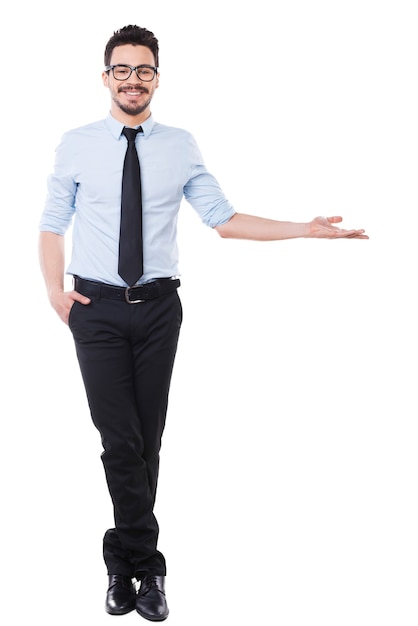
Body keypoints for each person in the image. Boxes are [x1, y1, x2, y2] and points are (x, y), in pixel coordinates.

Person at [38, 24, 368, 622]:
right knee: (120, 442)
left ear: (157, 77)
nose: (132, 80)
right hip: (97, 311)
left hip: (161, 309)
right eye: (122, 70)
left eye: (144, 70)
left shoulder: (181, 144)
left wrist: (304, 228)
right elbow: (51, 223)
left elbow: (223, 218)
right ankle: (146, 568)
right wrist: (53, 293)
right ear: (105, 75)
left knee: (148, 442)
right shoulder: (77, 144)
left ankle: (123, 562)